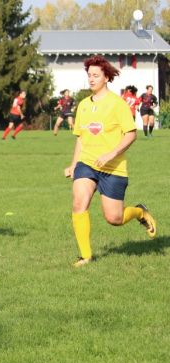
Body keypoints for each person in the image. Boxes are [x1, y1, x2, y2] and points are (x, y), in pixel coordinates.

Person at [64, 55, 156, 268]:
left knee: (114, 218)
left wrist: (111, 154)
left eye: (96, 75)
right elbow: (81, 138)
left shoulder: (117, 104)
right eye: (89, 75)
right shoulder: (84, 106)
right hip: (87, 163)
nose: (92, 79)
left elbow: (131, 134)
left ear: (106, 77)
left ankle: (140, 212)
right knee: (79, 202)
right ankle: (85, 256)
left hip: (113, 167)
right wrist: (74, 164)